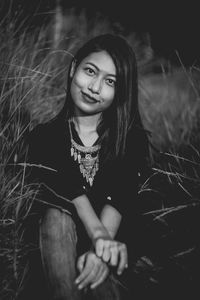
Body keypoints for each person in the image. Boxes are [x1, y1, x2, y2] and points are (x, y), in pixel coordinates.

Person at [20, 33, 150, 300]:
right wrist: (99, 235)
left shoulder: (130, 140)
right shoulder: (43, 137)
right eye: (90, 71)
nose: (94, 87)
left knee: (99, 274)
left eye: (110, 81)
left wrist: (101, 249)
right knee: (56, 216)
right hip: (59, 245)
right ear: (72, 69)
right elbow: (67, 187)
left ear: (120, 91)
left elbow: (121, 196)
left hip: (114, 248)